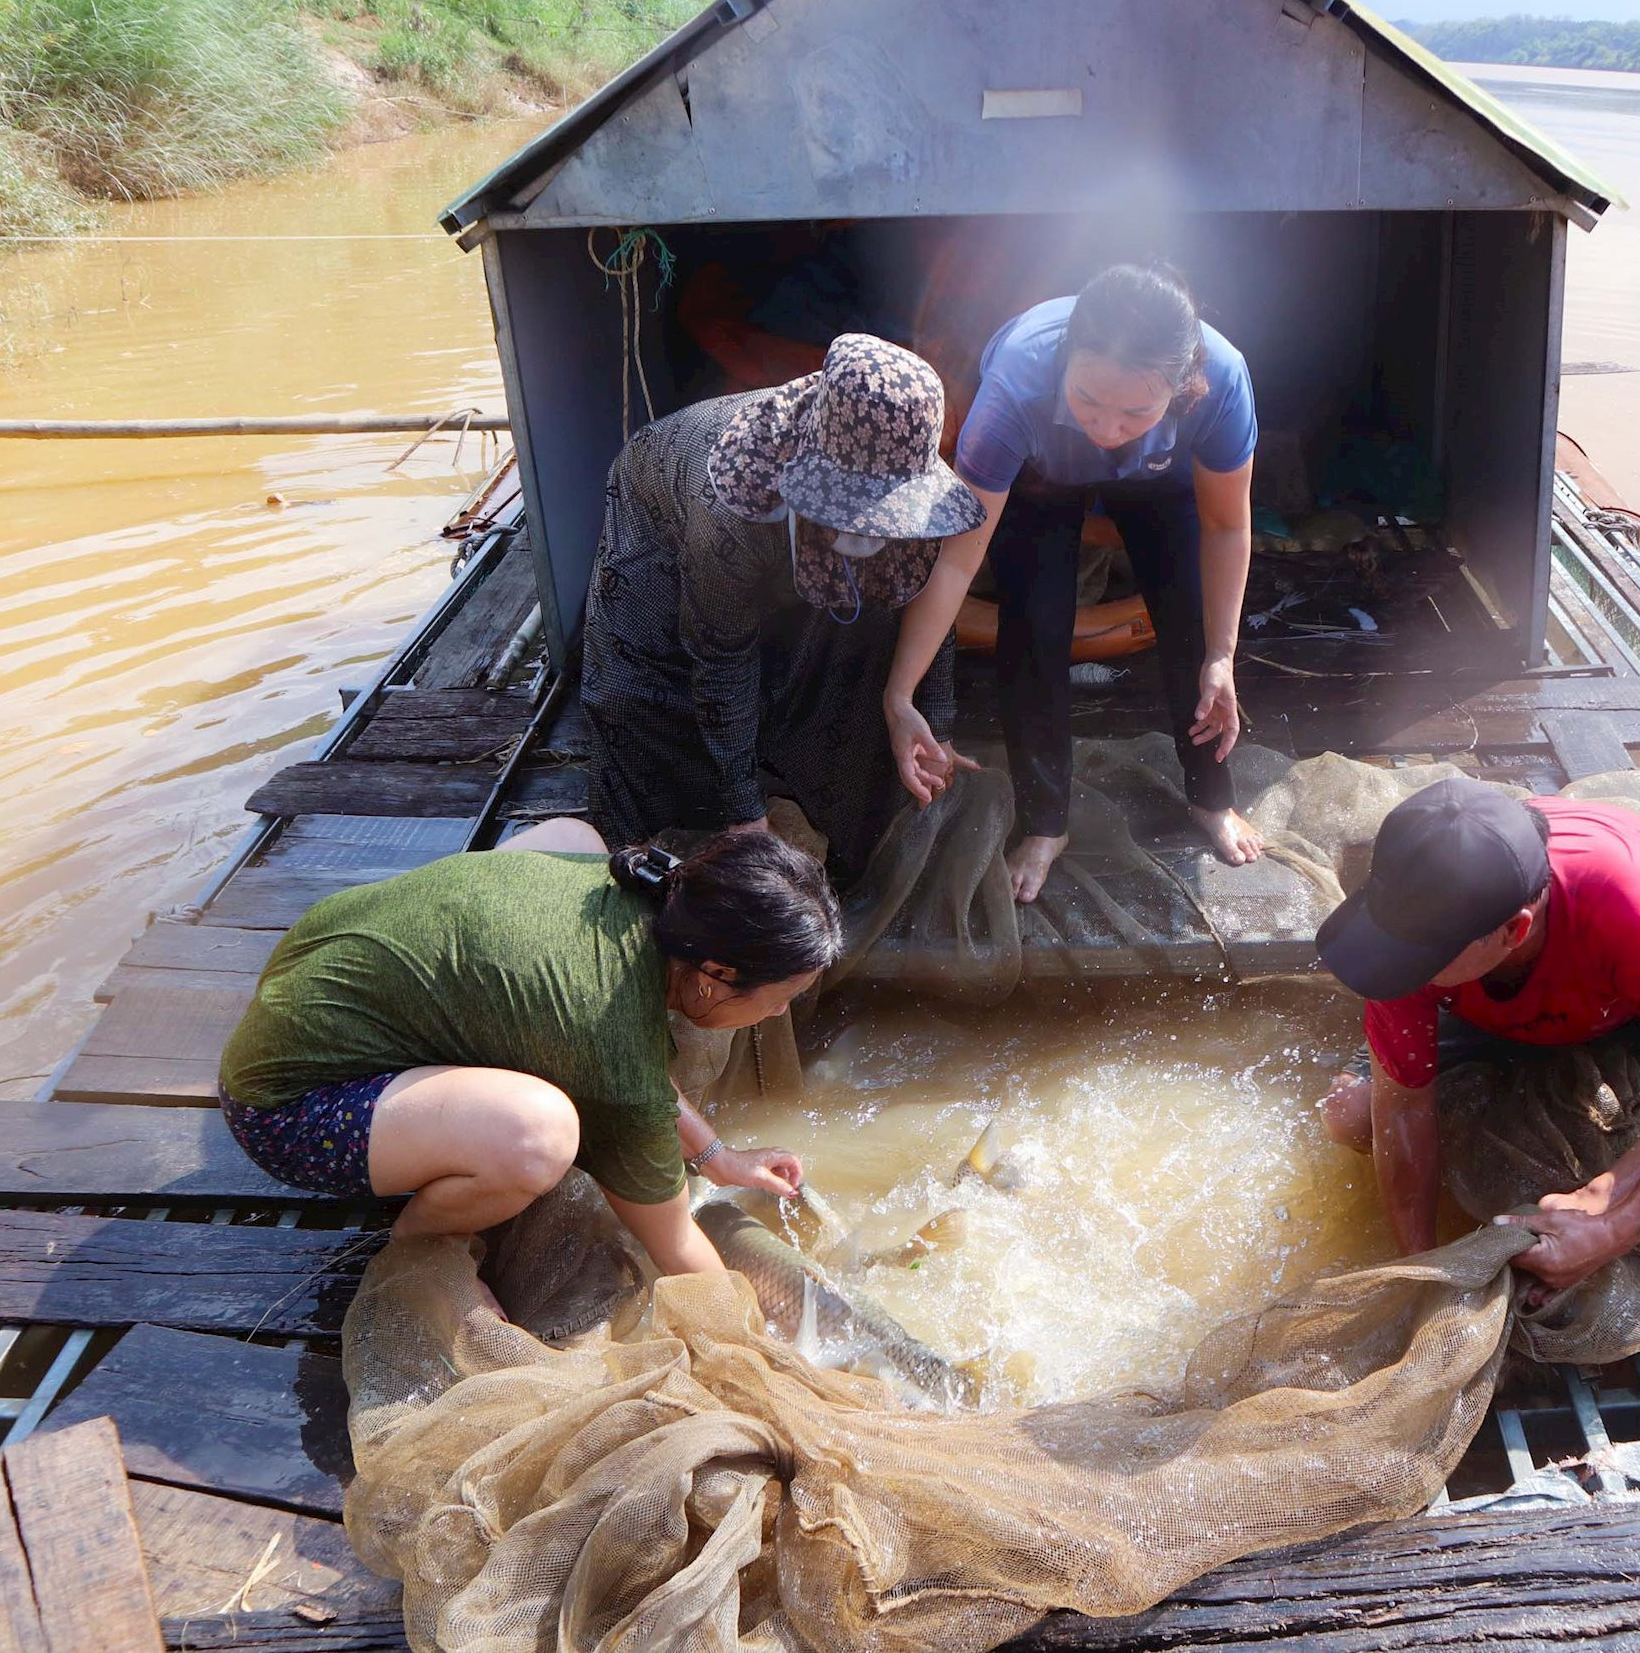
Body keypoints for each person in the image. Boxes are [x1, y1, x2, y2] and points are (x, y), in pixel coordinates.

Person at [216, 817, 838, 1278]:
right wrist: (768, 1340)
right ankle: (418, 1251)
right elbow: (675, 1247)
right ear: (715, 974)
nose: (779, 1012)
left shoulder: (637, 888)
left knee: (573, 835)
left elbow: (624, 1061)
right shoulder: (607, 1032)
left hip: (307, 971)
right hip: (287, 1108)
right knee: (540, 1136)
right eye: (779, 996)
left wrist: (717, 1157)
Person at [1313, 781, 1640, 1293]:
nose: (1394, 967)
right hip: (1486, 1009)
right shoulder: (1418, 921)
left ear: (1514, 931)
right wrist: (1419, 1269)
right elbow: (1403, 1106)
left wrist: (1609, 1231)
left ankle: (1617, 1183)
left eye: (1416, 958)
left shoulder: (1630, 904)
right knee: (1349, 1116)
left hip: (1623, 1000)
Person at [880, 262, 1266, 903]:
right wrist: (900, 691)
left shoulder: (1222, 379)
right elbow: (956, 559)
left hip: (1161, 478)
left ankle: (1211, 798)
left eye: (1135, 409)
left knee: (1195, 624)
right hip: (1042, 472)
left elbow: (1227, 527)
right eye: (1088, 398)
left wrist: (1223, 656)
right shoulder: (1013, 390)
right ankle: (1044, 823)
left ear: (1182, 388)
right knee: (1033, 622)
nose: (1107, 427)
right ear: (1065, 362)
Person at [581, 333, 987, 883]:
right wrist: (745, 817)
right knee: (648, 685)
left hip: (760, 524)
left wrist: (930, 718)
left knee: (843, 653)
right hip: (656, 504)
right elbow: (721, 658)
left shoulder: (905, 476)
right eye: (855, 510)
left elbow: (920, 600)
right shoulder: (724, 504)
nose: (872, 526)